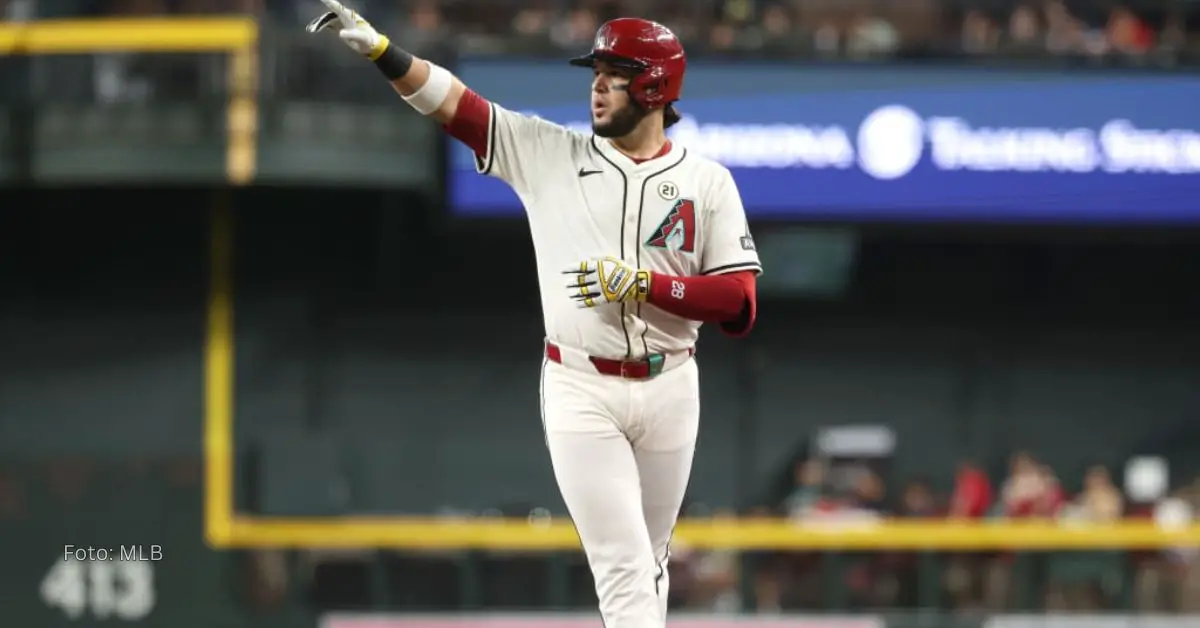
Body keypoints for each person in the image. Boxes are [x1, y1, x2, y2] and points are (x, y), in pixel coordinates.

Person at [308, 3, 763, 626]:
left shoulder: (707, 182)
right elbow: (460, 109)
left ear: (655, 85)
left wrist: (644, 285)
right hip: (582, 385)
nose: (597, 84)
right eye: (596, 71)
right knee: (625, 568)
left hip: (672, 383)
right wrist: (384, 52)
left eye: (615, 72)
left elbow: (739, 304)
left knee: (650, 563)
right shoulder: (550, 153)